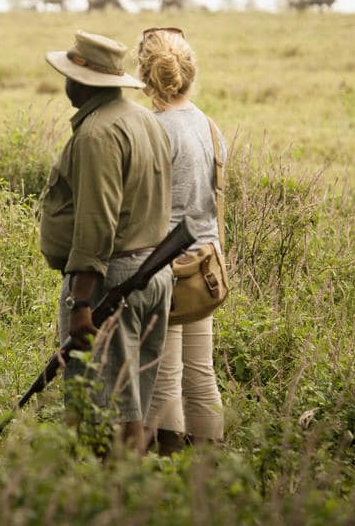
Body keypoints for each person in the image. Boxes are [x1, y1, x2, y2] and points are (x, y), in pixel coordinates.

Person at [39, 30, 174, 453]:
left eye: (68, 74)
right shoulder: (142, 118)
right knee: (128, 401)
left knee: (108, 411)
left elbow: (96, 225)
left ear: (81, 82)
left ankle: (115, 500)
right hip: (152, 271)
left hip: (111, 279)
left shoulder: (98, 133)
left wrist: (81, 304)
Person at [136, 26, 226, 454]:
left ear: (145, 78)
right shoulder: (210, 126)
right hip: (207, 269)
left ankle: (168, 471)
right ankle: (208, 467)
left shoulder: (151, 130)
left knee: (164, 378)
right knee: (201, 373)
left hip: (166, 270)